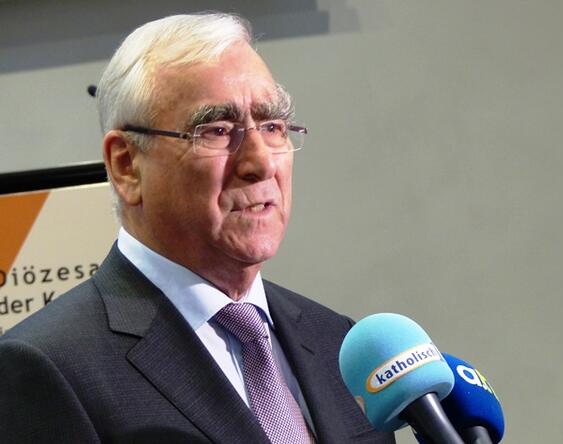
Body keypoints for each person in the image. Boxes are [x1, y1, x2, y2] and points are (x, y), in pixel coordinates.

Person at [0, 13, 395, 444]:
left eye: (272, 127)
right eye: (218, 131)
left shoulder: (338, 343)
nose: (261, 162)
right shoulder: (47, 367)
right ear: (126, 165)